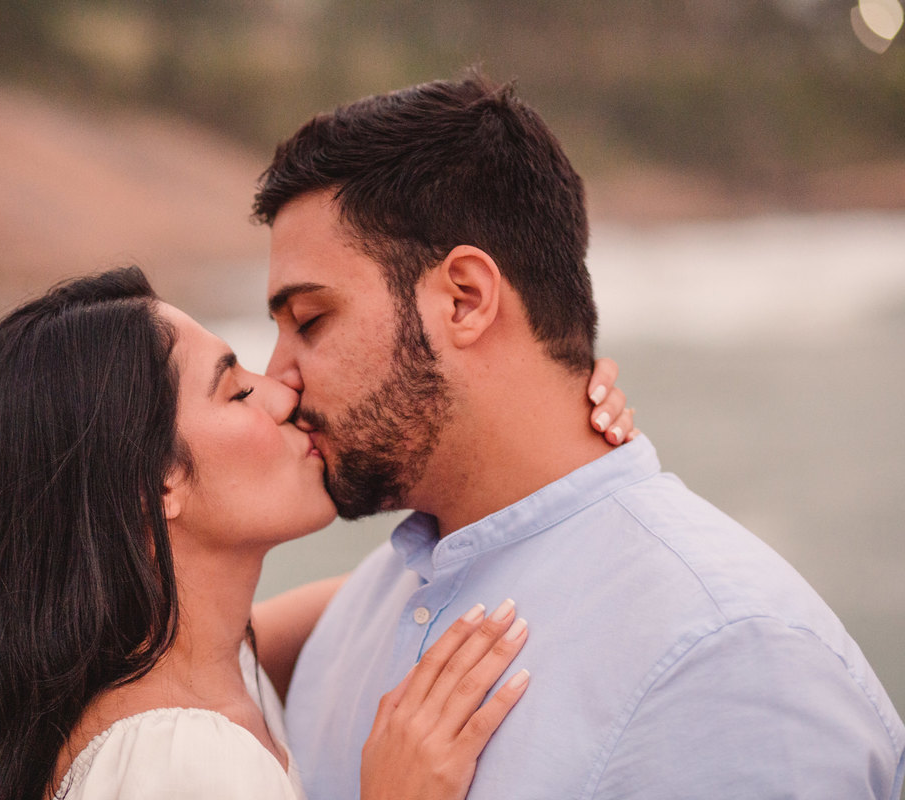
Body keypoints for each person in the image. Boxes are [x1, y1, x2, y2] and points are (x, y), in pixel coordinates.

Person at [0, 267, 625, 800]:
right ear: (156, 481)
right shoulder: (182, 766)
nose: (283, 390)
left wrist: (534, 439)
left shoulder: (202, 672)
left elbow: (355, 605)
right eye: (233, 388)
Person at [252, 71, 905, 799]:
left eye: (310, 321)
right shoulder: (360, 618)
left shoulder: (727, 661)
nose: (278, 379)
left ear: (465, 300)